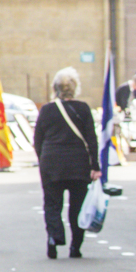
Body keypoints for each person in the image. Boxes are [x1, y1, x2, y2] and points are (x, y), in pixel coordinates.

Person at [33, 67, 102, 260]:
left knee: (52, 204)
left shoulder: (46, 110)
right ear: (75, 88)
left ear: (55, 88)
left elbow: (38, 139)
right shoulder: (83, 109)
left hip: (51, 162)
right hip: (78, 164)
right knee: (77, 206)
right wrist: (95, 166)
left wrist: (43, 159)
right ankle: (75, 247)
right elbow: (92, 139)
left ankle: (54, 238)